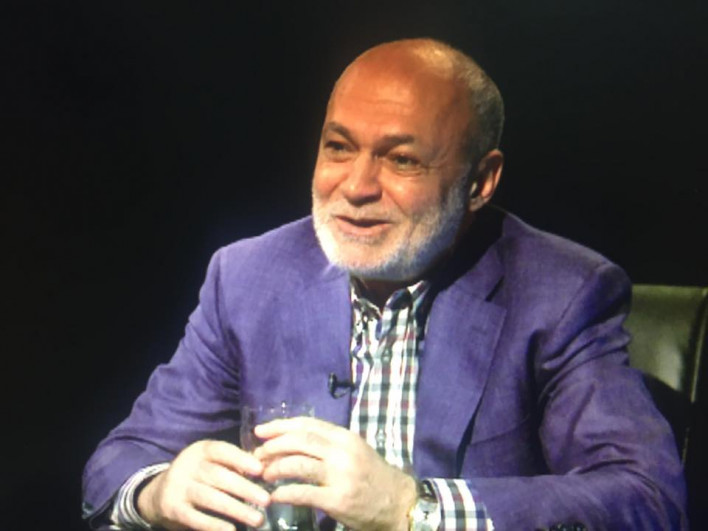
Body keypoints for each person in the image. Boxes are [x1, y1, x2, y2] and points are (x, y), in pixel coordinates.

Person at [82, 38, 687, 530]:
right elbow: (118, 461)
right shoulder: (247, 277)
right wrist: (158, 491)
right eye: (338, 148)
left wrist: (408, 508)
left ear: (480, 182)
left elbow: (647, 500)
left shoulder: (562, 293)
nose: (356, 187)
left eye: (401, 160)